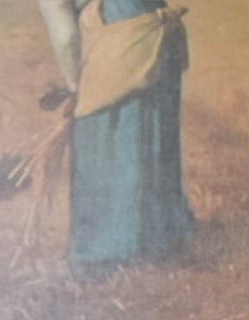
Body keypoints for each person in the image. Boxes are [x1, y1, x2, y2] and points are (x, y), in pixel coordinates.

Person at [36, 0, 192, 266]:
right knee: (150, 135)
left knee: (110, 139)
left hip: (120, 45)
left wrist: (75, 85)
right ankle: (161, 237)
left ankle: (111, 248)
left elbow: (62, 28)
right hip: (157, 39)